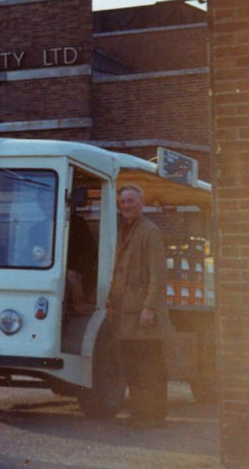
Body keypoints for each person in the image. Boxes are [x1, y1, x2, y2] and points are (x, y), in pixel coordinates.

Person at [105, 183, 172, 428]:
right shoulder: (127, 230)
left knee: (149, 367)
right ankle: (140, 414)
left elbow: (158, 274)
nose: (126, 206)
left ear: (141, 203)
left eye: (131, 201)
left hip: (142, 314)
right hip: (127, 313)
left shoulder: (149, 232)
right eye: (122, 202)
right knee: (134, 367)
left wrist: (150, 308)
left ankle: (152, 417)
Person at [60, 205, 98, 353]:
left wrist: (74, 271)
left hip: (75, 274)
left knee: (68, 281)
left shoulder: (77, 224)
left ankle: (79, 302)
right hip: (48, 276)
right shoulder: (37, 228)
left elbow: (89, 254)